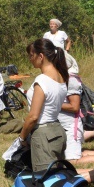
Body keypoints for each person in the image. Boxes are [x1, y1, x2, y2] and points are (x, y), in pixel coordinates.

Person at [18, 38, 68, 171]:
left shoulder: (42, 80)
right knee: (57, 174)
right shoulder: (61, 77)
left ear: (41, 56)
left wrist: (22, 137)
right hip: (57, 130)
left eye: (31, 55)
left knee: (44, 178)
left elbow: (33, 116)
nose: (30, 59)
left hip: (43, 134)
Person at [60, 52, 94, 165]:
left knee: (73, 161)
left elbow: (74, 107)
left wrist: (52, 104)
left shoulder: (71, 81)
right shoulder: (61, 80)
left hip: (71, 128)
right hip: (64, 126)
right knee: (68, 156)